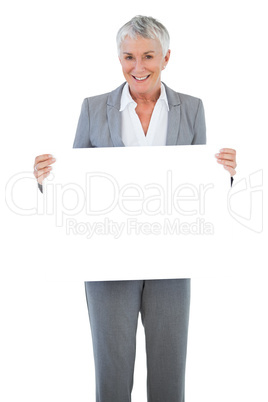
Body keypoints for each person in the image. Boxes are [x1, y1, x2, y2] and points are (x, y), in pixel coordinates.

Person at [33, 16, 237, 402]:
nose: (138, 67)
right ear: (119, 58)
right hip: (106, 263)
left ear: (166, 57)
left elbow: (199, 192)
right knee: (111, 374)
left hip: (172, 260)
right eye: (128, 56)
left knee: (169, 373)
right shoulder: (93, 108)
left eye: (148, 56)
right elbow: (77, 190)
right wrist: (49, 181)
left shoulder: (192, 109)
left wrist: (222, 175)